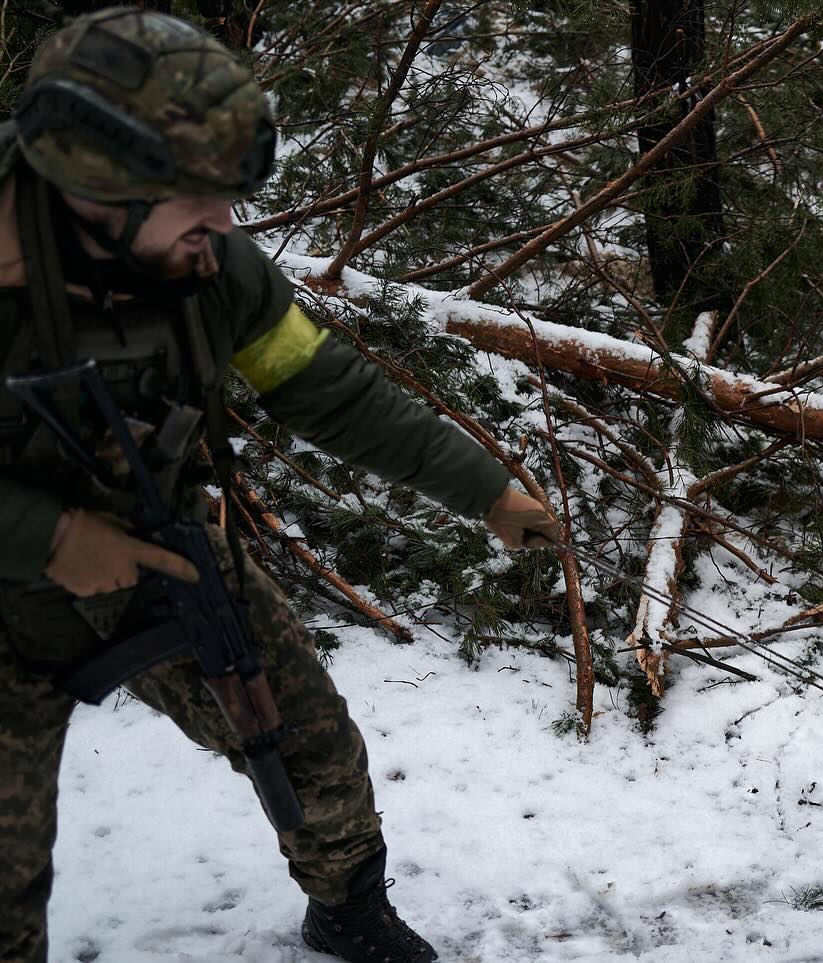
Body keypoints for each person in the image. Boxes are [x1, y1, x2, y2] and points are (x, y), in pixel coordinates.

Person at [0, 8, 561, 962]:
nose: (225, 225)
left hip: (160, 550)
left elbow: (327, 389)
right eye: (198, 200)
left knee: (311, 749)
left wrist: (488, 491)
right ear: (102, 190)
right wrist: (46, 538)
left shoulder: (214, 266)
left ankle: (349, 910)